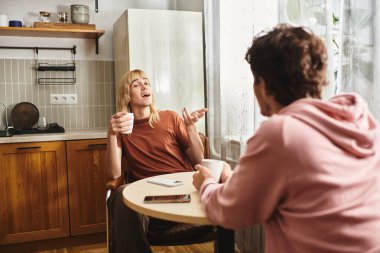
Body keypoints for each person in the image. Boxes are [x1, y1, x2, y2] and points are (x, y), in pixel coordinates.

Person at [193, 24, 380, 253]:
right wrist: (233, 179)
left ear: (263, 84)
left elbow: (230, 212)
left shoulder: (282, 132)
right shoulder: (359, 122)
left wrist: (206, 184)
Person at [106, 69, 208, 253]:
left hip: (182, 193)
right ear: (127, 96)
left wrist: (191, 127)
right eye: (136, 84)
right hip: (148, 200)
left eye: (146, 82)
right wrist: (112, 134)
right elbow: (114, 174)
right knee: (120, 195)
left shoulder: (170, 117)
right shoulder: (123, 130)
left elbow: (199, 160)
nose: (144, 86)